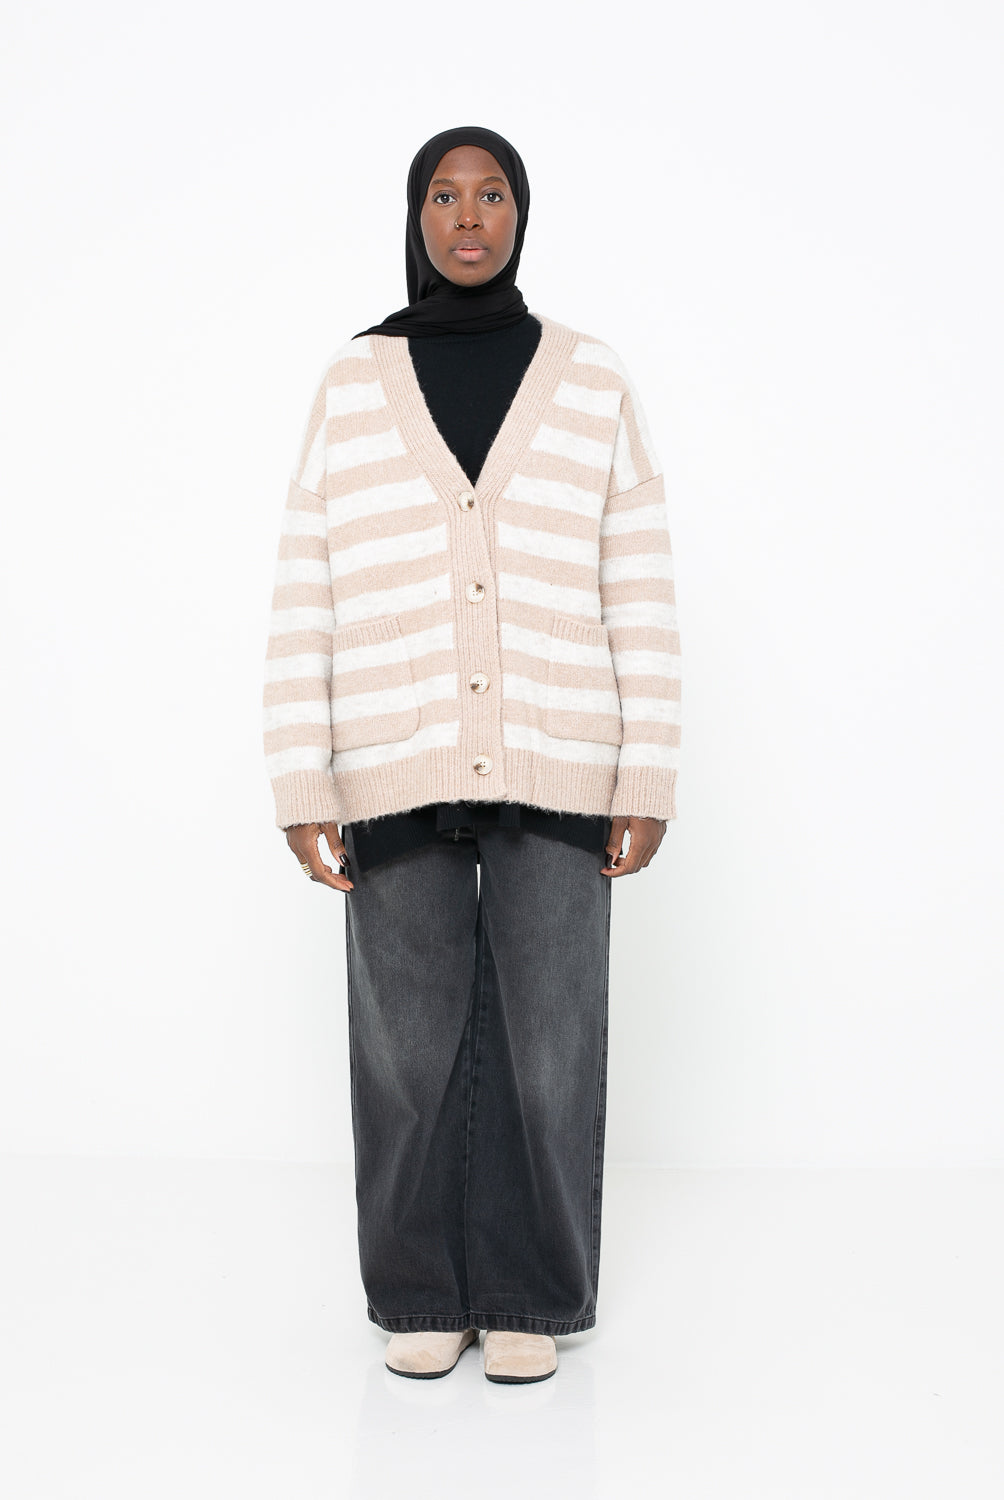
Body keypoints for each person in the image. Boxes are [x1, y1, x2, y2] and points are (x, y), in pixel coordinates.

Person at [262, 125, 682, 1385]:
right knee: (405, 1051)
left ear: (519, 215)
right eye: (443, 194)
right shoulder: (353, 384)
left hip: (562, 754)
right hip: (392, 756)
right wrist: (300, 775)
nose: (466, 215)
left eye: (490, 193)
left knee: (549, 1050)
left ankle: (529, 1298)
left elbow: (637, 584)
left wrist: (647, 770)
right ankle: (417, 1293)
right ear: (415, 215)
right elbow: (307, 583)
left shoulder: (591, 381)